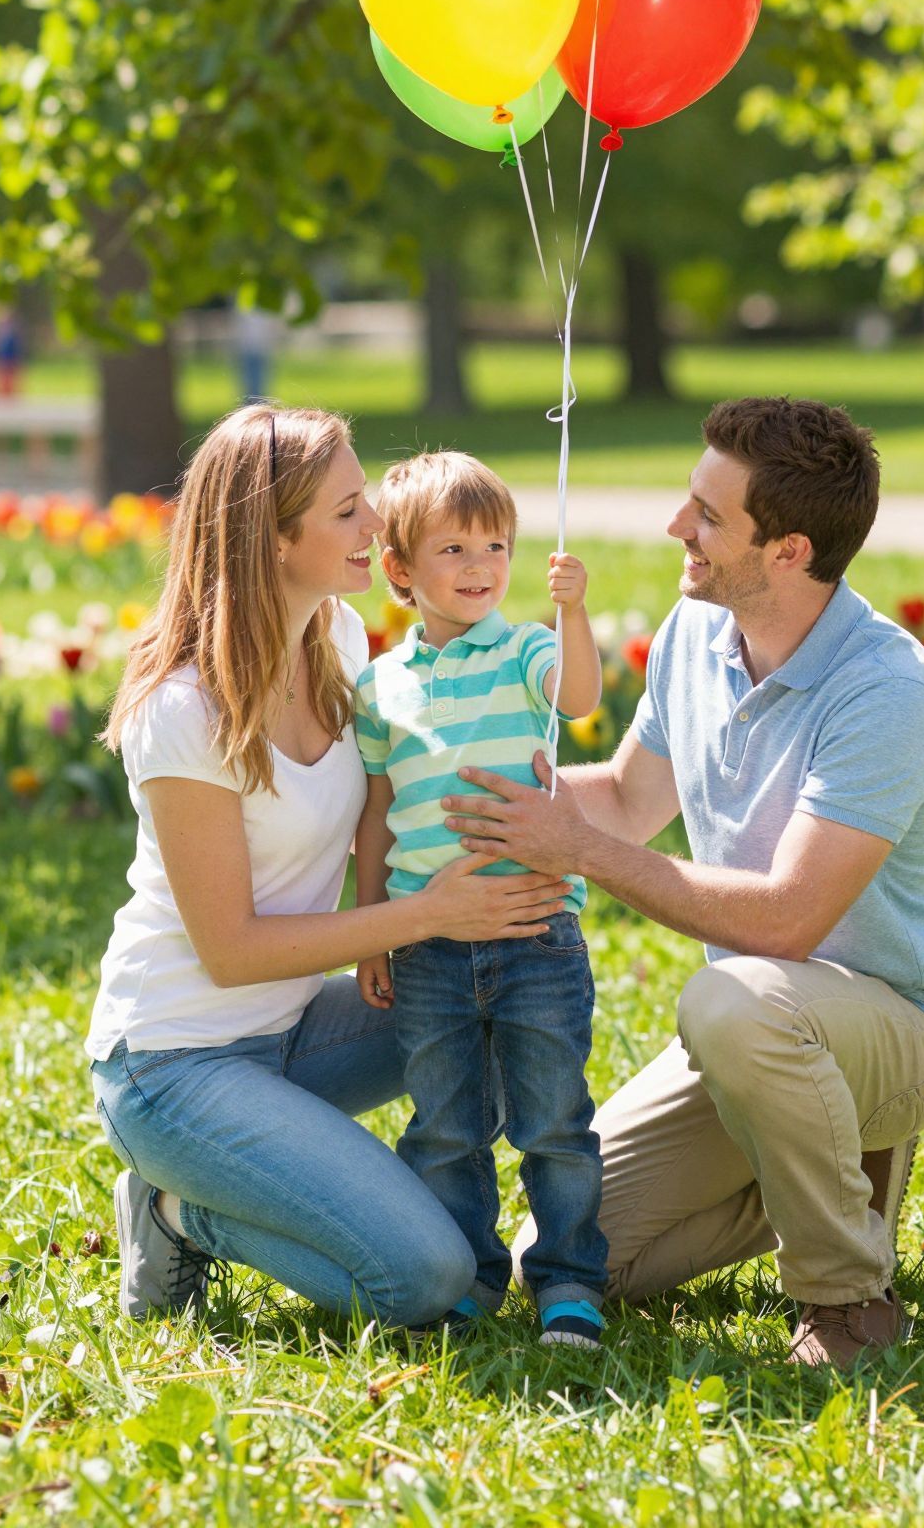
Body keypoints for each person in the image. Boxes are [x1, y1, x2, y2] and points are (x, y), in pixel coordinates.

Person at [440, 398, 924, 1369]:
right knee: (557, 1257)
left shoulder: (884, 687)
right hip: (760, 1027)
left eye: (708, 514)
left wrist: (577, 849)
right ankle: (819, 1172)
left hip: (886, 1024)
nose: (675, 526)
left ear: (789, 549)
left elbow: (787, 916)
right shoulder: (696, 630)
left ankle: (846, 1297)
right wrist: (474, 784)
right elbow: (631, 796)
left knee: (729, 998)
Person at [87, 406, 570, 1328]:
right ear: (274, 540)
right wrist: (425, 917)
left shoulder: (341, 642)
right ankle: (179, 1212)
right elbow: (229, 951)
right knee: (426, 1281)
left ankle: (282, 1174)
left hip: (297, 1031)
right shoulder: (179, 710)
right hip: (173, 1065)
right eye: (349, 511)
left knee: (507, 1006)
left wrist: (534, 806)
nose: (379, 527)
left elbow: (394, 799)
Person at [353, 451, 608, 1349]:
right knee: (445, 1125)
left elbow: (579, 697)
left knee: (554, 1120)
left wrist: (570, 612)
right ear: (400, 571)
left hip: (536, 932)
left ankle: (571, 1279)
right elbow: (377, 817)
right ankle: (467, 1272)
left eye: (494, 545)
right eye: (453, 547)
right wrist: (372, 935)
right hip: (430, 947)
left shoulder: (529, 649)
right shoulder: (380, 685)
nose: (478, 566)